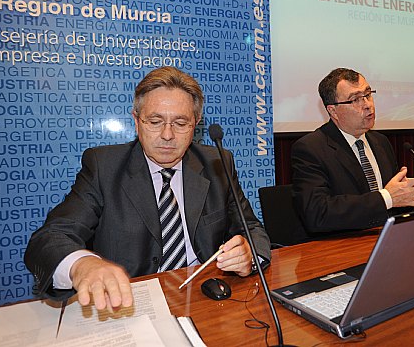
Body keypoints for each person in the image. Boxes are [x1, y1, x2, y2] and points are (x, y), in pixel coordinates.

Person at [24, 67, 270, 311]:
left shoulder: (217, 162)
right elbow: (50, 238)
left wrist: (249, 254)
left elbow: (252, 228)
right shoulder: (104, 167)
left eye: (180, 123)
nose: (167, 135)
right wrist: (82, 265)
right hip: (127, 303)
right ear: (136, 121)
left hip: (204, 300)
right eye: (154, 121)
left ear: (195, 124)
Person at [292, 68, 414, 235]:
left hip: (385, 239)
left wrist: (408, 195)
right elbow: (318, 214)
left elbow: (393, 203)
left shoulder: (380, 142)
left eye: (368, 95)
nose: (368, 105)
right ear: (333, 111)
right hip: (343, 245)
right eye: (355, 99)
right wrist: (387, 197)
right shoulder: (311, 148)